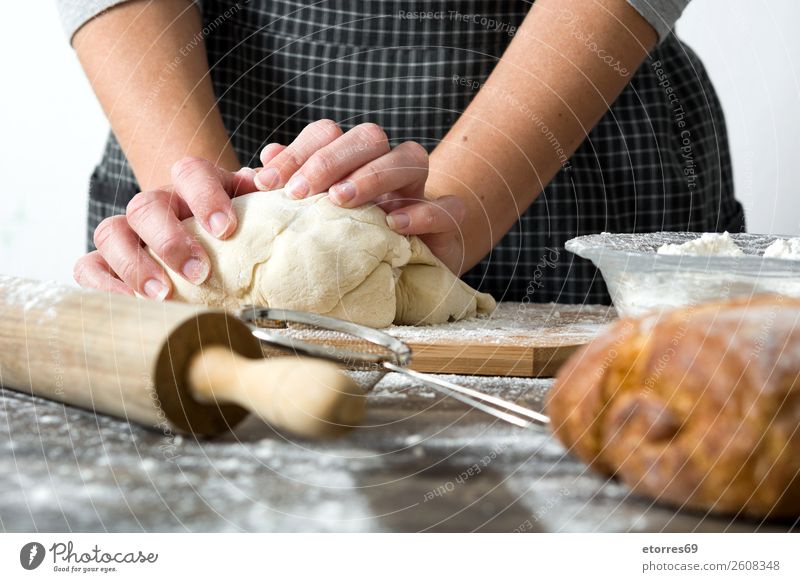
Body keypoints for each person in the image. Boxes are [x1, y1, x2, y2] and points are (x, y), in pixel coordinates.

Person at [62, 0, 744, 304]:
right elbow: (207, 232)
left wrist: (465, 200)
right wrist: (215, 239)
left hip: (574, 124)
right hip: (198, 97)